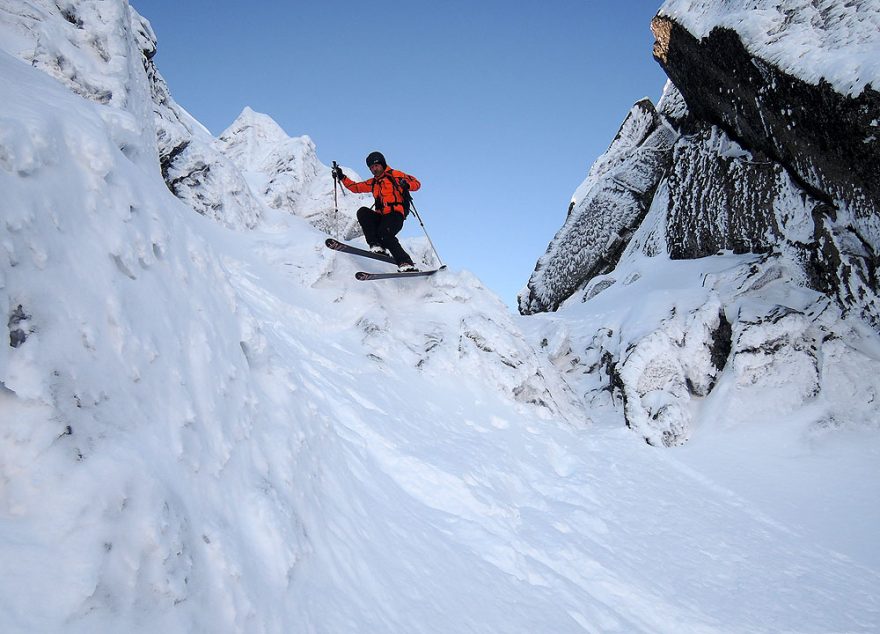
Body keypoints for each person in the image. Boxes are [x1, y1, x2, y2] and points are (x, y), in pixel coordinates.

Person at [333, 151, 421, 272]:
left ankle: (405, 262)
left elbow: (417, 183)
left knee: (385, 234)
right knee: (363, 212)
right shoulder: (373, 182)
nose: (374, 169)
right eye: (372, 167)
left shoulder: (395, 175)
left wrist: (407, 185)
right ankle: (376, 245)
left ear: (382, 164)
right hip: (381, 217)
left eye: (376, 165)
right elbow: (356, 187)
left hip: (395, 214)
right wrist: (342, 177)